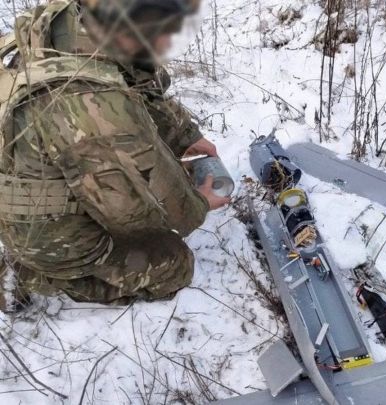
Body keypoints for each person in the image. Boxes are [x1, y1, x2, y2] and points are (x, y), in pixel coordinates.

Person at [0, 0, 230, 310]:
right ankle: (39, 276)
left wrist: (187, 136)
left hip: (23, 196)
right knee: (174, 264)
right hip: (47, 237)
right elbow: (138, 211)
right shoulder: (90, 102)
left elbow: (142, 85)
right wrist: (198, 203)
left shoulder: (64, 26)